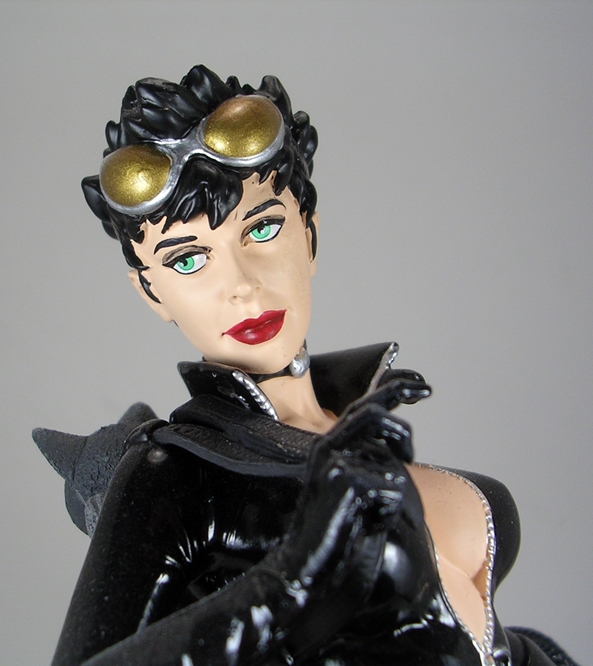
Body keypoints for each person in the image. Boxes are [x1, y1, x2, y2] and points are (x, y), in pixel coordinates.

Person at [34, 64, 577, 666]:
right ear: (152, 293)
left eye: (262, 228)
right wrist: (290, 583)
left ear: (310, 236)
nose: (241, 283)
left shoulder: (365, 429)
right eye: (189, 260)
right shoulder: (174, 477)